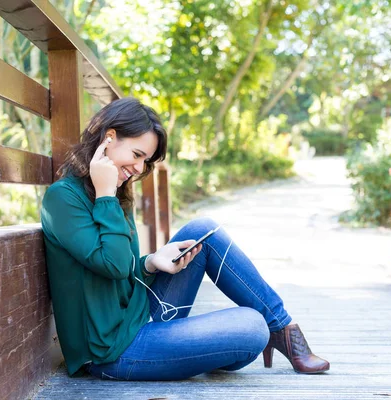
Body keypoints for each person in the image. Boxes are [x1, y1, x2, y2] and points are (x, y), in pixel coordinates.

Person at [40, 97, 329, 381]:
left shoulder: (114, 192)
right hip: (111, 350)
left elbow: (120, 274)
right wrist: (106, 195)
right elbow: (113, 266)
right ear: (109, 138)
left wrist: (151, 263)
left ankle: (284, 329)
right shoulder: (64, 198)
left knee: (203, 232)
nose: (140, 169)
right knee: (251, 327)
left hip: (136, 317)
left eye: (146, 161)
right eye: (137, 155)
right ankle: (207, 347)